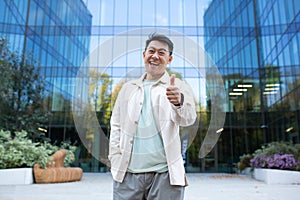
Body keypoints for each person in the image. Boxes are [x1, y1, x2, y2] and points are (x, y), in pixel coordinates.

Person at [108, 33, 197, 200]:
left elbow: (189, 118)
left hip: (165, 176)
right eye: (151, 51)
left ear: (169, 59)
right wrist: (114, 158)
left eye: (162, 53)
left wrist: (179, 103)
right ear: (144, 55)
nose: (155, 56)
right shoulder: (128, 88)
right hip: (127, 175)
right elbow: (116, 126)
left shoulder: (178, 86)